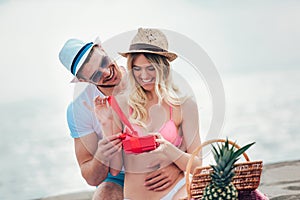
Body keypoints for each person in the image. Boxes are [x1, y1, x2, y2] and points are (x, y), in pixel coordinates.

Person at [58, 36, 183, 200]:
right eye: (96, 75)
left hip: (161, 163)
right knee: (104, 195)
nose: (107, 72)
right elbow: (90, 176)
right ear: (82, 80)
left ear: (103, 49)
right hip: (118, 177)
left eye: (103, 62)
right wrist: (102, 155)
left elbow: (184, 133)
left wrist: (176, 168)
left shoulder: (145, 77)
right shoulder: (79, 109)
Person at [93, 28, 202, 200]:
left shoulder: (184, 105)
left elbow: (197, 165)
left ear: (163, 67)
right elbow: (115, 168)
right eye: (137, 69)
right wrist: (106, 125)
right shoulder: (120, 103)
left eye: (151, 68)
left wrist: (169, 150)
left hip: (177, 191)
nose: (144, 76)